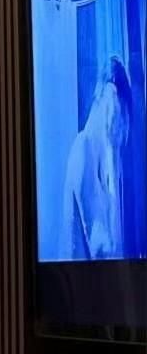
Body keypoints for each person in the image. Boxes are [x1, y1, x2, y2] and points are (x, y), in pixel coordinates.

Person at [60, 55, 134, 260]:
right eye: (119, 119)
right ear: (107, 98)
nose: (118, 132)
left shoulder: (97, 163)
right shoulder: (83, 147)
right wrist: (112, 154)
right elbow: (105, 251)